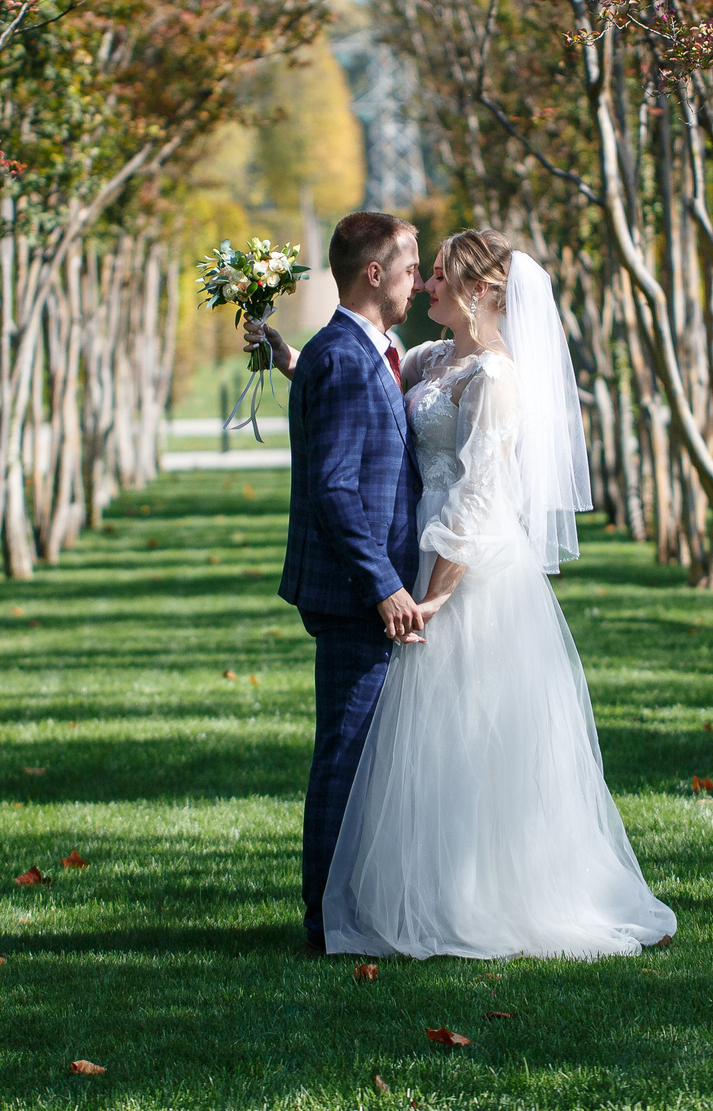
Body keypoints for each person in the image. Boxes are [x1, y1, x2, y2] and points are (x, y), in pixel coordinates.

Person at [252, 228, 676, 959]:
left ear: (481, 291)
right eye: (425, 272)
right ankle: (413, 892)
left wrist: (437, 593)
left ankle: (483, 894)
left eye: (440, 275)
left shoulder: (499, 379)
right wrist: (293, 360)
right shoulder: (432, 359)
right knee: (417, 746)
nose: (426, 286)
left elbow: (479, 496)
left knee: (469, 740)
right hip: (415, 567)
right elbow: (365, 391)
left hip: (466, 576)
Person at [277, 210, 427, 953]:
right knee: (345, 750)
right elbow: (336, 489)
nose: (419, 282)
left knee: (361, 750)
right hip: (352, 595)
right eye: (410, 268)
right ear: (375, 273)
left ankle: (349, 904)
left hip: (362, 590)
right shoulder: (345, 353)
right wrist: (383, 587)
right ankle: (326, 919)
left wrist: (284, 358)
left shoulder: (359, 350)